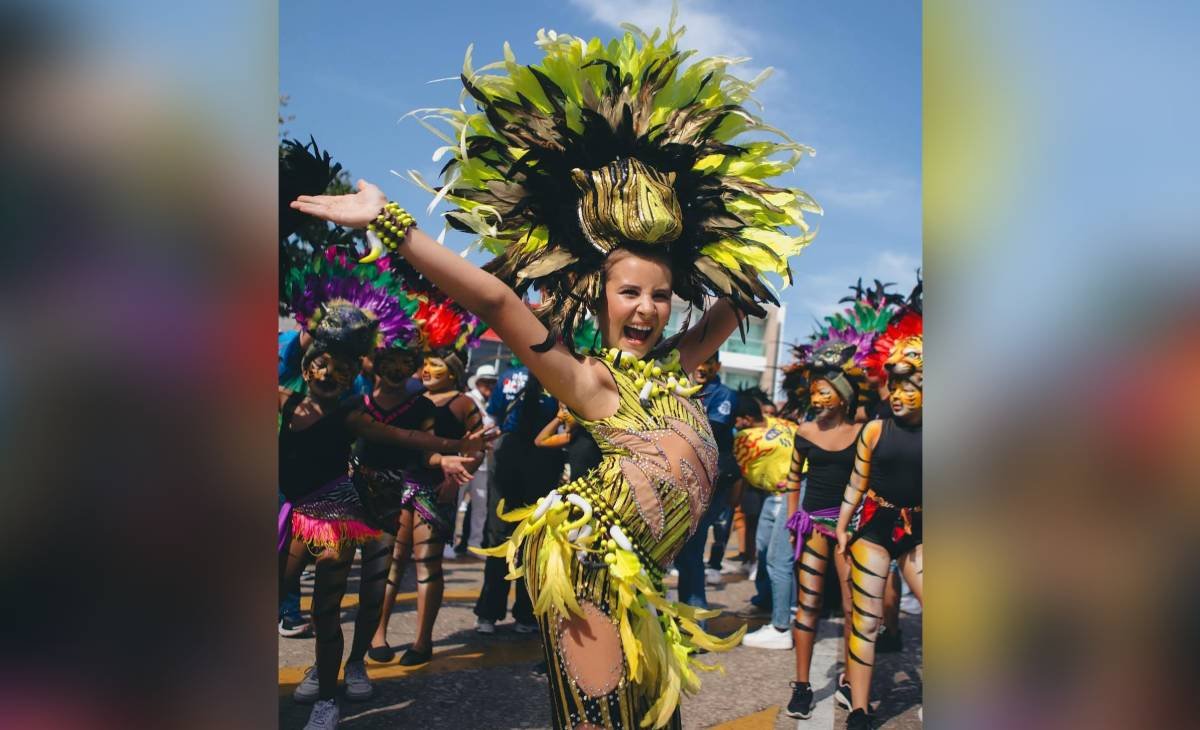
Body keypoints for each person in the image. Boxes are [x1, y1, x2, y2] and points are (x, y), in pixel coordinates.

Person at [291, 17, 818, 728]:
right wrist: (394, 227)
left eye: (661, 295)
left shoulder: (675, 364)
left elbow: (735, 294)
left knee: (649, 720)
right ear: (599, 295)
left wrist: (742, 217)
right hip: (592, 572)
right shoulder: (589, 380)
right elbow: (496, 297)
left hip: (643, 586)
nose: (648, 307)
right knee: (600, 719)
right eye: (630, 291)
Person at [278, 301, 487, 730]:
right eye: (387, 359)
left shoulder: (399, 406)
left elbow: (410, 439)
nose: (328, 374)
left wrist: (455, 452)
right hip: (307, 505)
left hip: (369, 506)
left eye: (404, 361)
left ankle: (343, 676)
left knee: (367, 590)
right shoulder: (298, 401)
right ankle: (324, 669)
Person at [369, 344, 486, 666]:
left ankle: (423, 641)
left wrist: (455, 480)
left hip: (434, 490)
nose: (427, 370)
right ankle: (377, 634)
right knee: (391, 562)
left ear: (452, 370)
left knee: (426, 563)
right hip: (397, 486)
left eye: (436, 364)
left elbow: (479, 448)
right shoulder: (409, 398)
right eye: (425, 363)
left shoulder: (464, 403)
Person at [836, 334, 923, 730]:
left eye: (909, 385)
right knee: (865, 621)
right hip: (874, 527)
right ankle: (859, 709)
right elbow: (856, 483)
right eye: (894, 385)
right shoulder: (873, 430)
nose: (898, 394)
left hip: (920, 531)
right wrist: (841, 527)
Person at [781, 343, 866, 719]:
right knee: (808, 607)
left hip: (852, 529)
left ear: (844, 397)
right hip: (813, 526)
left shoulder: (866, 433)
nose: (816, 399)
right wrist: (792, 519)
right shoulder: (804, 431)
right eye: (813, 392)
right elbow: (792, 479)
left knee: (853, 609)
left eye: (824, 392)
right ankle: (801, 686)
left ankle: (850, 680)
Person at [475, 376, 563, 635]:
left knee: (512, 535)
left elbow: (491, 418)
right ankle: (517, 613)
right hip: (529, 455)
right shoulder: (556, 372)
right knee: (524, 537)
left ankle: (495, 613)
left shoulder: (511, 375)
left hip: (528, 454)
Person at [732, 397, 798, 650]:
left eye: (737, 421)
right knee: (764, 549)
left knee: (778, 560)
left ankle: (781, 624)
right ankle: (768, 599)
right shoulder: (781, 423)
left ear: (746, 420)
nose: (736, 425)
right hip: (780, 494)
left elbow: (745, 473)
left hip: (786, 494)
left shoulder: (746, 438)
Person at [456, 363, 498, 553]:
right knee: (456, 501)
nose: (489, 386)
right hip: (464, 459)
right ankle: (449, 543)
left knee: (480, 505)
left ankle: (475, 544)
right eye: (486, 382)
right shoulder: (468, 399)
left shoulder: (492, 403)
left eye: (492, 382)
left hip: (482, 461)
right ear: (478, 382)